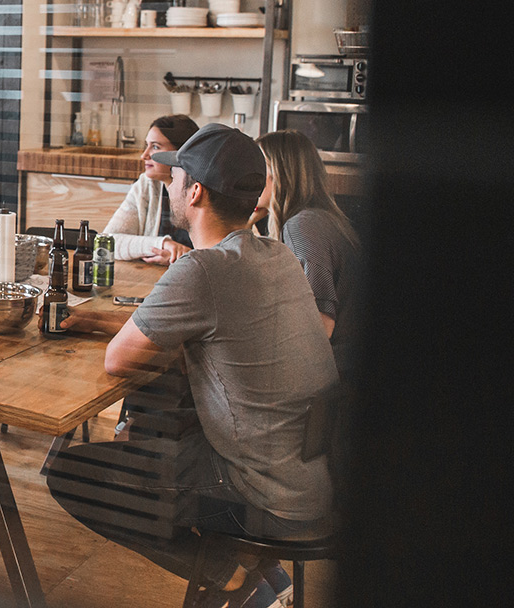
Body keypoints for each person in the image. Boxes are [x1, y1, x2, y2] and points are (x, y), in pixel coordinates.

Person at [47, 124, 339, 608]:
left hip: (260, 497)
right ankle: (261, 578)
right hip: (309, 478)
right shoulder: (276, 254)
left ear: (196, 191)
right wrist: (93, 319)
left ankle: (230, 576)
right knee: (164, 418)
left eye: (178, 174)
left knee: (72, 474)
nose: (172, 182)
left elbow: (118, 360)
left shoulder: (202, 269)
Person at [255, 130, 362, 379]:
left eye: (258, 168)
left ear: (279, 173)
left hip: (335, 375)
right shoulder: (318, 217)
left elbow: (318, 327)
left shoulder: (304, 226)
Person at [100, 114, 200, 264]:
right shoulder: (146, 185)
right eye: (146, 145)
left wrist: (178, 258)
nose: (144, 155)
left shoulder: (204, 190)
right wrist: (163, 244)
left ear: (181, 153)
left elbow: (218, 257)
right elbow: (106, 242)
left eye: (155, 147)